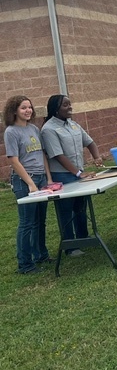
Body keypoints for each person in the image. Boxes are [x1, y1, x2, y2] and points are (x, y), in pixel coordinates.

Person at [41, 95, 104, 256]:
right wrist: (78, 173)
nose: (70, 107)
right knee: (66, 211)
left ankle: (83, 238)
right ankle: (70, 246)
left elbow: (89, 142)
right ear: (56, 109)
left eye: (70, 104)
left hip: (78, 173)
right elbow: (58, 155)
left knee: (80, 207)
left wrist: (96, 157)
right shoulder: (48, 129)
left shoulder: (73, 124)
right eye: (65, 105)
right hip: (62, 176)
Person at [3, 95, 53, 274]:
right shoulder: (11, 132)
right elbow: (13, 161)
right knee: (27, 223)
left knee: (40, 220)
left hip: (41, 178)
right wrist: (31, 184)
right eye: (23, 108)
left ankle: (41, 255)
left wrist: (48, 178)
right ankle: (25, 264)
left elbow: (42, 155)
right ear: (14, 110)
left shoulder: (34, 129)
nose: (28, 110)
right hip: (25, 181)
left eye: (29, 107)